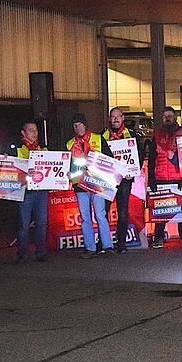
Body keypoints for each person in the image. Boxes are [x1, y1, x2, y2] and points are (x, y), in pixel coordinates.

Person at [67, 113, 115, 258]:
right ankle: (90, 248)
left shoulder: (98, 138)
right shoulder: (69, 144)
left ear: (85, 125)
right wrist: (69, 173)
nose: (78, 127)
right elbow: (66, 163)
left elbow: (109, 158)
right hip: (79, 185)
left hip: (96, 183)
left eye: (80, 124)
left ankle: (107, 246)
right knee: (85, 217)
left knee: (100, 214)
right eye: (75, 125)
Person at [148, 106, 182, 249]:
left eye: (170, 115)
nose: (167, 118)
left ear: (175, 117)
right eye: (164, 116)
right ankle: (158, 238)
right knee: (161, 212)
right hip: (160, 177)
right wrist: (151, 178)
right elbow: (152, 158)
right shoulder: (157, 135)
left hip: (177, 177)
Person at [9, 122, 50, 263]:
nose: (34, 133)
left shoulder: (43, 148)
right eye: (31, 130)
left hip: (41, 191)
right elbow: (11, 168)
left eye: (36, 130)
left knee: (41, 223)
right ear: (23, 133)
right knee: (23, 224)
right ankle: (22, 253)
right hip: (25, 192)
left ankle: (41, 252)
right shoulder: (17, 150)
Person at [103, 107, 139, 253]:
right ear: (110, 119)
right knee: (103, 212)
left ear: (123, 118)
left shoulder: (130, 135)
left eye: (118, 116)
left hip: (125, 180)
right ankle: (104, 242)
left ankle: (121, 243)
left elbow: (139, 155)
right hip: (108, 179)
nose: (116, 119)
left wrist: (133, 172)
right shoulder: (103, 135)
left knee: (122, 212)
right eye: (113, 116)